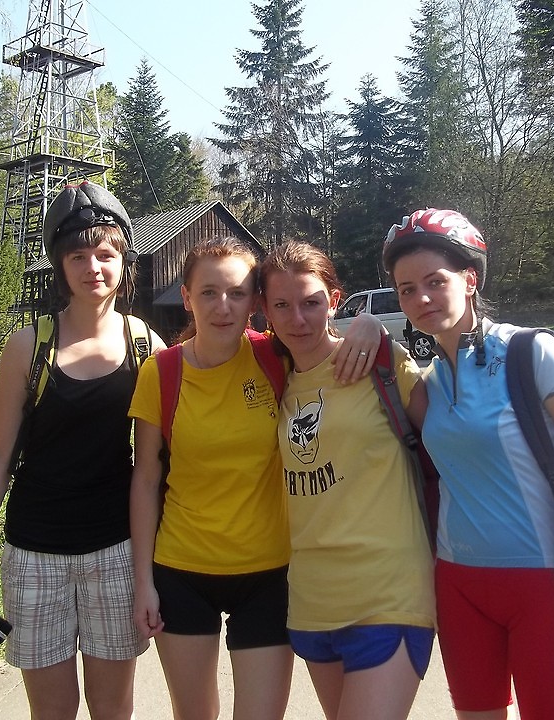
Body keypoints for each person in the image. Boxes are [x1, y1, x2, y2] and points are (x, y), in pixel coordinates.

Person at [381, 208, 554, 720]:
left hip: (543, 585)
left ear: (469, 279)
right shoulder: (430, 382)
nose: (421, 298)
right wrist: (367, 327)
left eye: (435, 282)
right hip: (458, 585)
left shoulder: (531, 353)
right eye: (407, 289)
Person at [127, 236, 382, 720]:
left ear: (254, 303)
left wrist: (370, 326)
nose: (223, 306)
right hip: (182, 570)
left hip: (270, 574)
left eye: (237, 293)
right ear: (187, 297)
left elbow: (325, 343)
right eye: (208, 292)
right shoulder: (161, 372)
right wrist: (144, 582)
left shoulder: (274, 356)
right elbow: (144, 481)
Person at [0, 181, 164, 720]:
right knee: (53, 711)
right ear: (59, 265)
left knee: (112, 709)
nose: (93, 267)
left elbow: (157, 463)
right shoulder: (29, 346)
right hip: (34, 555)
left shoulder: (145, 346)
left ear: (124, 260)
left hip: (115, 553)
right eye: (78, 256)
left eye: (106, 254)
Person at [260, 240, 436, 720]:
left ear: (335, 300)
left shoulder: (379, 363)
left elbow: (454, 443)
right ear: (266, 311)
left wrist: (374, 324)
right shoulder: (271, 377)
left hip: (388, 594)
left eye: (311, 302)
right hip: (312, 602)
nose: (298, 318)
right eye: (282, 305)